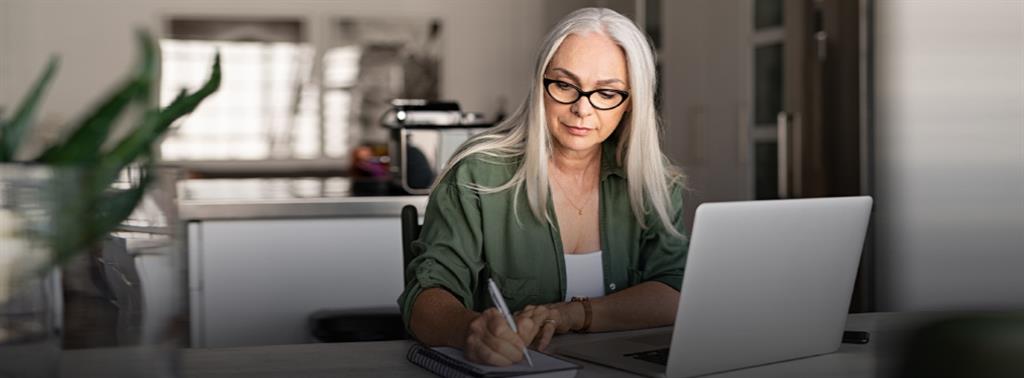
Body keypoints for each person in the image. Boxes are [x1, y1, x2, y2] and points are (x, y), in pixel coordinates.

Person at [398, 7, 688, 366]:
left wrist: (570, 314)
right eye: (565, 85)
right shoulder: (476, 173)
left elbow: (674, 290)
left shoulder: (652, 180)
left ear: (631, 103)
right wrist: (470, 330)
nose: (582, 109)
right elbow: (425, 297)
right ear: (540, 84)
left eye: (607, 92)